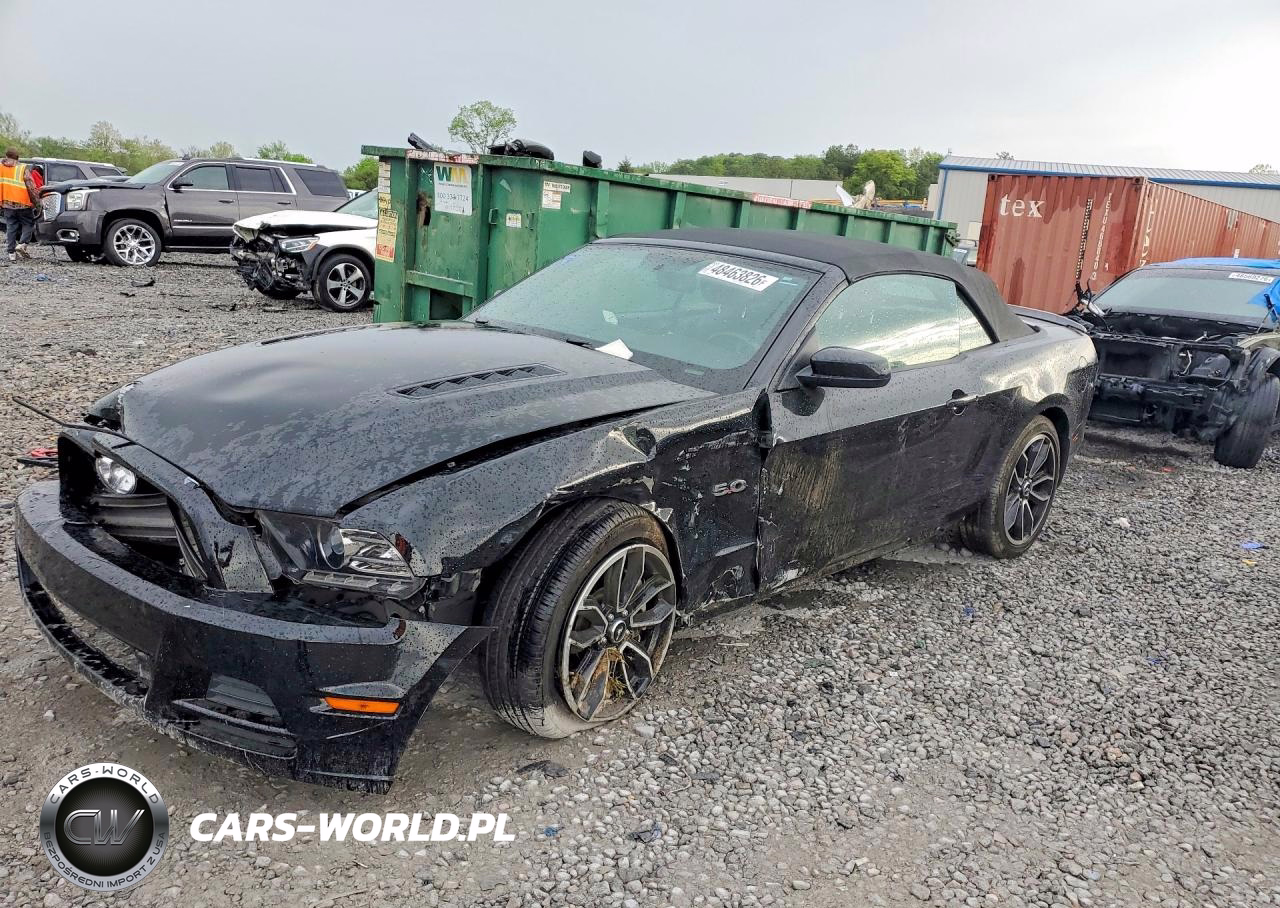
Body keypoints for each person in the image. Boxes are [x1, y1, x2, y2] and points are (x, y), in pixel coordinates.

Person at [1, 147, 42, 262]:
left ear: (6, 156)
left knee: (11, 227)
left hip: (7, 203)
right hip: (23, 203)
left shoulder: (1, 168)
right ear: (17, 158)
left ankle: (11, 253)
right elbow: (31, 187)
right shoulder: (22, 168)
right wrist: (37, 203)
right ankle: (22, 244)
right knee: (28, 224)